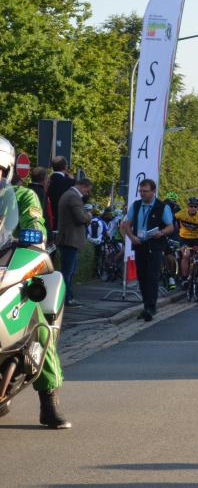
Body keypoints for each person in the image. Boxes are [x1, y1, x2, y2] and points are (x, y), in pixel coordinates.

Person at [1, 138, 71, 428]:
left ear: (6, 169)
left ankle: (49, 400)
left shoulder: (22, 196)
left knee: (38, 321)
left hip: (10, 266)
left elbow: (34, 227)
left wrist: (33, 238)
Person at [121, 179, 175, 321]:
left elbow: (171, 226)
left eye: (145, 191)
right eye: (141, 191)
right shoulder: (136, 205)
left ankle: (151, 307)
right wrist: (131, 237)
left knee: (152, 276)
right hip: (140, 244)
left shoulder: (162, 207)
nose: (142, 194)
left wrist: (162, 233)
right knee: (142, 276)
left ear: (153, 191)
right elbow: (126, 224)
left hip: (155, 245)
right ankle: (146, 305)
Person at [55, 178, 92, 308]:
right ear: (83, 186)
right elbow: (81, 218)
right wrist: (89, 215)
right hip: (70, 239)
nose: (87, 193)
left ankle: (67, 297)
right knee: (68, 272)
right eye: (87, 190)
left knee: (68, 270)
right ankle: (68, 298)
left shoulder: (67, 194)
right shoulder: (74, 197)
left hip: (67, 238)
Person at [174, 196, 198, 284]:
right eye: (191, 206)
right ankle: (184, 278)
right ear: (187, 206)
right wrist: (177, 231)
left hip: (196, 239)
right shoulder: (181, 214)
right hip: (184, 239)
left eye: (195, 206)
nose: (193, 208)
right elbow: (173, 221)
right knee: (186, 255)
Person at [46, 156, 74, 233]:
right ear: (65, 167)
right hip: (63, 222)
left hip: (47, 219)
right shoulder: (70, 182)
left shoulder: (46, 180)